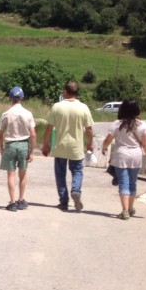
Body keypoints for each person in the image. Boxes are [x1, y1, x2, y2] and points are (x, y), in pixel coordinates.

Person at [100, 98, 146, 220]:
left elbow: (107, 140)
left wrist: (104, 148)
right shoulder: (142, 125)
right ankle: (130, 208)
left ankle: (125, 211)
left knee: (123, 183)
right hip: (136, 156)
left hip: (121, 156)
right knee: (132, 183)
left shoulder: (117, 124)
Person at [41, 80, 94, 211]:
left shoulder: (57, 107)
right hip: (76, 147)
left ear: (65, 91)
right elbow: (89, 129)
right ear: (77, 93)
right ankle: (75, 190)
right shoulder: (83, 108)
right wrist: (90, 144)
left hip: (60, 146)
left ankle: (64, 201)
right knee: (77, 171)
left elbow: (49, 128)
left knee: (60, 174)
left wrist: (46, 144)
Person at [0, 86, 36, 211]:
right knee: (23, 174)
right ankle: (21, 199)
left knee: (11, 174)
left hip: (10, 145)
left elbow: (0, 134)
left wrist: (1, 148)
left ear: (10, 98)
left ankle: (12, 202)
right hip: (24, 144)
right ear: (22, 98)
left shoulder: (6, 114)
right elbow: (33, 134)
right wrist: (32, 151)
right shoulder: (28, 114)